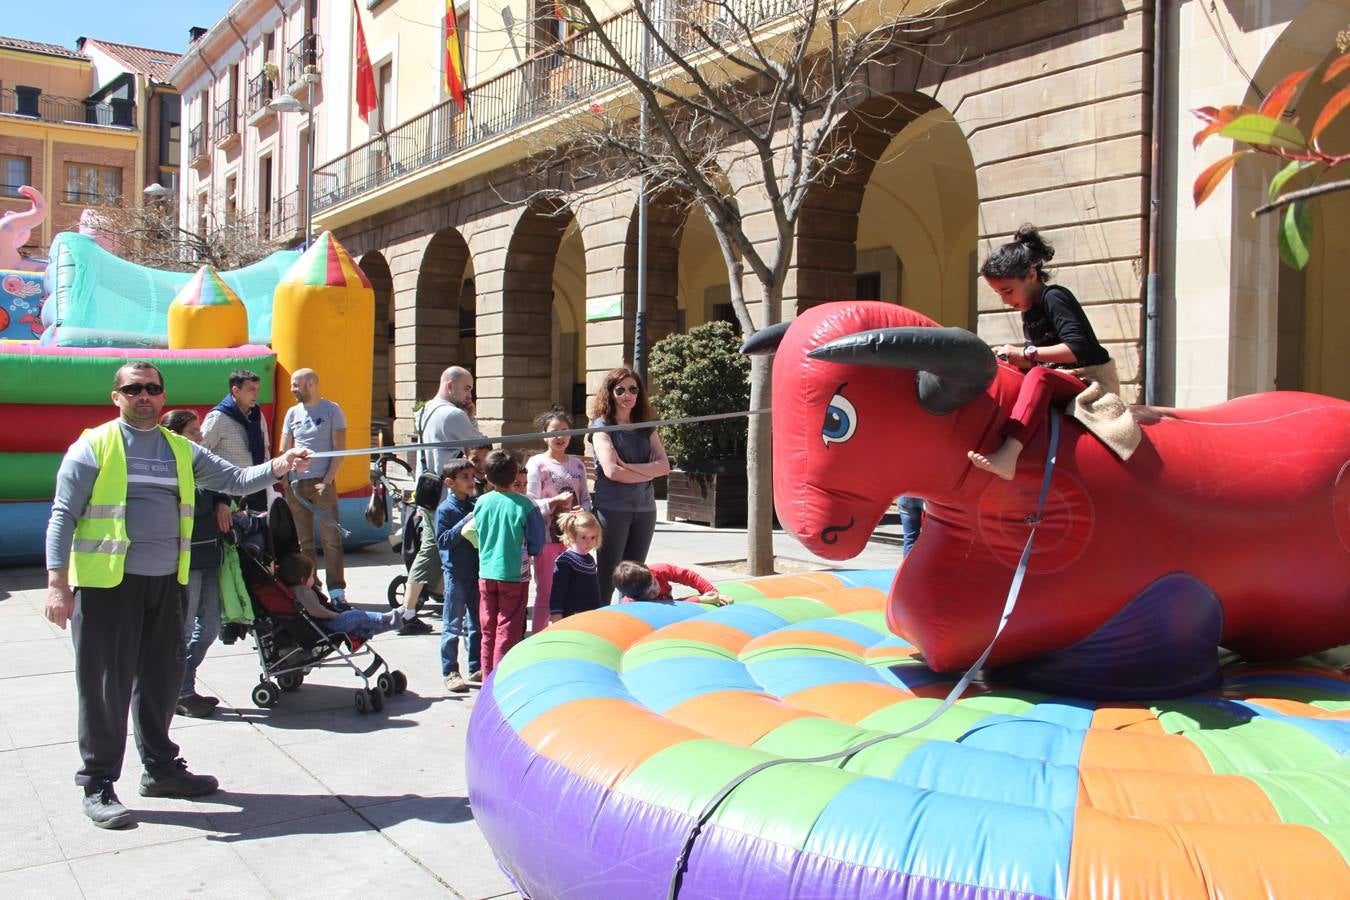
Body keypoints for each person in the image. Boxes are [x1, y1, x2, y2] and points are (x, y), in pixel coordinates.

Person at [44, 361, 313, 829]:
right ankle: (98, 782)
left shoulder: (180, 449)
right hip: (108, 586)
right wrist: (56, 584)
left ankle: (160, 769)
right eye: (133, 389)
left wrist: (281, 465)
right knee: (105, 687)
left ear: (162, 396)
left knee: (161, 680)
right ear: (117, 397)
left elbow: (233, 479)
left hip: (168, 583)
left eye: (152, 388)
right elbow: (63, 514)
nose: (143, 395)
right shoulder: (94, 446)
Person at [967, 225, 1117, 481]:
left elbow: (1077, 348)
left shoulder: (1054, 297)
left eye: (1008, 291)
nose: (1004, 301)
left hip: (1090, 381)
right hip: (1066, 378)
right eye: (998, 293)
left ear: (1031, 275)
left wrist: (1027, 354)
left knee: (1039, 376)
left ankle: (1008, 455)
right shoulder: (1030, 311)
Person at [402, 366, 486, 634]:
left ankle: (411, 608)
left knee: (431, 550)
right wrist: (470, 417)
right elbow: (483, 444)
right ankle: (411, 611)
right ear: (450, 385)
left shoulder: (426, 409)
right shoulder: (452, 414)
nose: (470, 393)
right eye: (467, 388)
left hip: (428, 491)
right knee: (441, 554)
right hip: (446, 496)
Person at [160, 409, 232, 719]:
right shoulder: (170, 467)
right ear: (176, 436)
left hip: (209, 555)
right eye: (193, 431)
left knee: (210, 627)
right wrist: (212, 498)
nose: (200, 437)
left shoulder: (201, 464)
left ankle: (181, 686)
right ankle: (179, 692)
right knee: (184, 629)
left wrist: (222, 500)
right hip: (186, 560)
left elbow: (225, 482)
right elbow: (193, 501)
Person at [589, 367, 670, 604]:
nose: (628, 395)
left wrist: (629, 467)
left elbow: (664, 466)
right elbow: (612, 471)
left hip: (645, 509)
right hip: (612, 509)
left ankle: (628, 619)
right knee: (608, 574)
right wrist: (647, 471)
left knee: (635, 576)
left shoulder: (646, 425)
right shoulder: (602, 425)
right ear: (610, 393)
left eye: (633, 389)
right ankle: (601, 623)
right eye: (621, 390)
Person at [279, 368, 348, 606]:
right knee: (303, 542)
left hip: (322, 483)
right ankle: (312, 590)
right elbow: (284, 448)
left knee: (331, 539)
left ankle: (337, 592)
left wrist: (327, 481)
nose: (292, 389)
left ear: (310, 384)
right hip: (296, 485)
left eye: (295, 385)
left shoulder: (332, 410)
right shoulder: (292, 413)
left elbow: (339, 449)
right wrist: (287, 479)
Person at [474, 451, 546, 677]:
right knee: (508, 629)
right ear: (515, 474)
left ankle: (487, 676)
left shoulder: (481, 502)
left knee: (489, 629)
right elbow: (537, 542)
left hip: (486, 572)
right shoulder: (526, 505)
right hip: (514, 575)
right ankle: (499, 679)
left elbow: (477, 532)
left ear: (486, 477)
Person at [526, 408, 589, 634]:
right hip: (546, 537)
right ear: (545, 435)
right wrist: (554, 501)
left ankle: (566, 634)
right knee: (546, 588)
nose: (560, 437)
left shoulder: (578, 465)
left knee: (573, 588)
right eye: (554, 431)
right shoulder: (536, 464)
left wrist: (582, 512)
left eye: (564, 431)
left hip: (574, 538)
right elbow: (530, 503)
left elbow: (586, 499)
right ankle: (539, 636)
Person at [434, 459, 481, 693]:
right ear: (450, 483)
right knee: (452, 624)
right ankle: (450, 670)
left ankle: (475, 666)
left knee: (476, 623)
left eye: (472, 476)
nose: (471, 481)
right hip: (456, 574)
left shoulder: (474, 503)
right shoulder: (445, 509)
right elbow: (442, 541)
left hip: (476, 571)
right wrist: (466, 522)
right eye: (465, 477)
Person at [277, 554, 402, 639]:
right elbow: (315, 611)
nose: (313, 579)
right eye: (311, 576)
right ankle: (387, 617)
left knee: (358, 628)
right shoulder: (302, 591)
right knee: (355, 616)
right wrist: (334, 615)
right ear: (303, 579)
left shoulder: (296, 590)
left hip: (320, 625)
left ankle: (390, 624)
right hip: (325, 626)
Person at [200, 369, 271, 512]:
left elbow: (265, 448)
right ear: (236, 391)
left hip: (257, 485)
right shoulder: (218, 417)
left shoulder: (257, 415)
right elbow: (200, 451)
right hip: (227, 490)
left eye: (258, 389)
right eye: (251, 389)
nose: (256, 394)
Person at [547, 509, 603, 622]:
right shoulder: (565, 561)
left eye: (593, 537)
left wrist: (598, 610)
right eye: (583, 537)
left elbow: (594, 591)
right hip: (571, 616)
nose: (589, 542)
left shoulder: (589, 560)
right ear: (572, 536)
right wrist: (556, 613)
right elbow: (558, 591)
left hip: (589, 615)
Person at [611, 560, 730, 606]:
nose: (656, 589)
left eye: (654, 583)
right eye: (650, 593)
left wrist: (713, 593)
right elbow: (666, 607)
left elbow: (689, 576)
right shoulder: (633, 604)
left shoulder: (658, 570)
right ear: (638, 597)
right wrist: (699, 600)